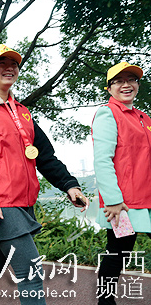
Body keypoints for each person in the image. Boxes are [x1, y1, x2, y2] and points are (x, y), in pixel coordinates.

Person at [0, 44, 89, 305]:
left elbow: (44, 156)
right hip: (0, 204)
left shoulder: (23, 113)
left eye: (14, 64)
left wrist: (69, 185)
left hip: (22, 203)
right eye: (2, 63)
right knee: (31, 274)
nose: (9, 68)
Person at [92, 62, 151, 305]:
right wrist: (114, 201)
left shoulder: (144, 118)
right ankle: (105, 302)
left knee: (118, 252)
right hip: (125, 204)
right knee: (118, 253)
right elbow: (102, 159)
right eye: (119, 81)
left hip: (147, 198)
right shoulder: (108, 113)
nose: (126, 84)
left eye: (131, 79)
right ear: (110, 88)